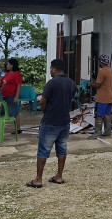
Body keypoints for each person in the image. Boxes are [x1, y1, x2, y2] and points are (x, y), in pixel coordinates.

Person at [26, 59, 76, 188]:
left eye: (50, 69)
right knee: (62, 149)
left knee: (43, 150)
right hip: (65, 121)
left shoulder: (51, 83)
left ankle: (38, 179)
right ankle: (59, 176)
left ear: (54, 69)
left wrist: (46, 112)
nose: (50, 71)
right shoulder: (71, 83)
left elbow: (43, 101)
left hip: (50, 121)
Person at [89, 54, 112, 137]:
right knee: (107, 114)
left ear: (101, 62)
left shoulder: (102, 71)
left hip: (102, 97)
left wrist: (91, 84)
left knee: (99, 115)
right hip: (110, 96)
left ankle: (97, 132)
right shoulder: (111, 71)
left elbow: (98, 85)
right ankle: (107, 132)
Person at [0, 58, 23, 135]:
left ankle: (18, 128)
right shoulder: (7, 74)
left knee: (14, 112)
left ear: (12, 65)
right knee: (2, 112)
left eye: (8, 64)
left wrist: (16, 96)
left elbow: (18, 85)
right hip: (5, 96)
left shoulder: (17, 74)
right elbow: (0, 82)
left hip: (11, 95)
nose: (6, 66)